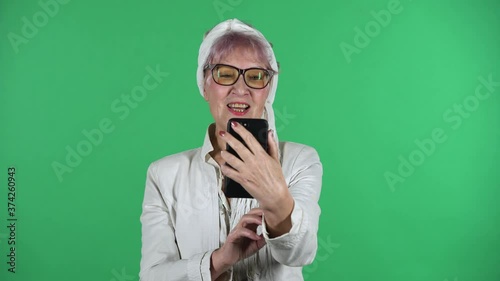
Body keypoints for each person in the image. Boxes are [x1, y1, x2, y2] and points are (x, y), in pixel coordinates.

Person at [139, 18, 323, 281]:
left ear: (268, 88)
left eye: (256, 76)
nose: (240, 89)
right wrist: (220, 260)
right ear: (204, 85)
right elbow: (152, 277)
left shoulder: (299, 161)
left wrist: (276, 197)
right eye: (225, 74)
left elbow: (301, 253)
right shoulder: (163, 175)